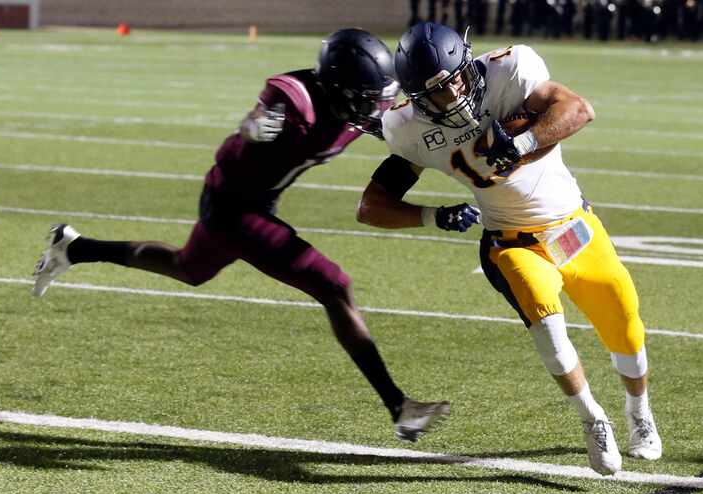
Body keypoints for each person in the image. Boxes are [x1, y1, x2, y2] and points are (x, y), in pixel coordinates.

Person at [31, 28, 449, 444]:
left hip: (253, 201)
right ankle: (400, 407)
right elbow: (264, 111)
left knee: (188, 268)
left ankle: (73, 247)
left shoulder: (356, 105)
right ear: (340, 90)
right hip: (233, 206)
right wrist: (253, 126)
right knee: (334, 286)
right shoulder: (294, 101)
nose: (377, 106)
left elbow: (399, 115)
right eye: (369, 98)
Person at [356, 22, 662, 475]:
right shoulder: (409, 128)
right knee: (549, 331)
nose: (454, 91)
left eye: (456, 76)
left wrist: (521, 141)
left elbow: (579, 109)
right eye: (438, 90)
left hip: (574, 229)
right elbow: (371, 207)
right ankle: (592, 418)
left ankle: (640, 414)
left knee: (627, 332)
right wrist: (432, 215)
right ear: (419, 99)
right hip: (511, 243)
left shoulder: (510, 71)